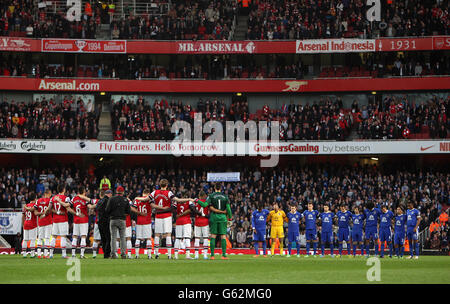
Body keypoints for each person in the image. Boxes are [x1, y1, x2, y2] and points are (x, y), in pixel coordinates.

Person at [136, 179, 190, 259]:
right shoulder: (169, 193)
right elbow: (178, 200)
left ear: (159, 185)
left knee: (157, 235)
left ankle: (157, 254)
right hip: (167, 216)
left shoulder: (155, 192)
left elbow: (145, 199)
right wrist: (189, 199)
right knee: (168, 234)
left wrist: (137, 197)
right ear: (167, 185)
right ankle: (169, 255)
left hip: (158, 216)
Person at [196, 182, 232, 260]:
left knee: (213, 236)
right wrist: (230, 218)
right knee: (223, 236)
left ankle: (212, 255)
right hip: (223, 218)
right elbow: (228, 209)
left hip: (214, 217)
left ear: (214, 188)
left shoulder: (211, 196)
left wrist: (197, 200)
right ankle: (224, 255)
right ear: (221, 188)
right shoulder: (225, 197)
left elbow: (205, 205)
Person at [50, 184, 75, 258]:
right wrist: (75, 213)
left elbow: (49, 209)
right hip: (63, 219)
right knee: (63, 237)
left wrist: (56, 212)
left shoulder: (53, 198)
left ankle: (51, 254)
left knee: (54, 236)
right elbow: (68, 207)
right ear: (64, 190)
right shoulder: (66, 198)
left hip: (55, 220)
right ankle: (63, 254)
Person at [69, 186, 95, 258]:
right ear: (84, 192)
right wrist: (96, 204)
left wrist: (76, 213)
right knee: (83, 236)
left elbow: (68, 207)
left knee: (75, 236)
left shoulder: (74, 198)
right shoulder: (85, 199)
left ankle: (73, 254)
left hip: (76, 220)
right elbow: (90, 207)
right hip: (84, 220)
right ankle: (82, 254)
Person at [105, 186, 131, 259]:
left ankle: (113, 254)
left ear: (116, 191)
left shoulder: (111, 199)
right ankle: (123, 254)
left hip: (113, 219)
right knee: (123, 237)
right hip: (122, 220)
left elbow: (107, 210)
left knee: (113, 237)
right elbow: (128, 212)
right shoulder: (125, 200)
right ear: (123, 192)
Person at [133, 189, 154, 259]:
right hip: (147, 221)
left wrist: (139, 213)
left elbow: (133, 208)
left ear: (143, 193)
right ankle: (149, 255)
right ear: (148, 193)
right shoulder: (149, 199)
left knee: (138, 238)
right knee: (148, 238)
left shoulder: (137, 199)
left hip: (139, 221)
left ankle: (136, 255)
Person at [174, 193, 195, 259]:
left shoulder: (176, 201)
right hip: (186, 221)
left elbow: (173, 209)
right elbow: (192, 209)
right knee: (187, 238)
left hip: (179, 221)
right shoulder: (189, 201)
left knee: (178, 238)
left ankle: (175, 256)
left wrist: (177, 216)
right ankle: (187, 255)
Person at [34, 189, 53, 258]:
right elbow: (49, 211)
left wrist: (41, 214)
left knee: (40, 238)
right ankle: (45, 254)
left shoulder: (38, 201)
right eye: (50, 194)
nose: (51, 195)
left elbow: (35, 213)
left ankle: (39, 254)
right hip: (48, 221)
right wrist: (44, 214)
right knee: (47, 238)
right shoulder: (50, 201)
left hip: (41, 221)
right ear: (47, 193)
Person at [192, 191, 210, 259]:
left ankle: (196, 255)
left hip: (197, 222)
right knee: (205, 238)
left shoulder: (196, 202)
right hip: (205, 221)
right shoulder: (207, 202)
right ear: (204, 195)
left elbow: (193, 210)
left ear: (199, 195)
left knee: (197, 238)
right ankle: (205, 255)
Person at [22, 193, 39, 258]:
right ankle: (32, 254)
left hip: (26, 223)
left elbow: (23, 216)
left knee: (25, 239)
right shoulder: (35, 205)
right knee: (32, 239)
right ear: (35, 198)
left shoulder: (26, 205)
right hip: (32, 224)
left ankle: (24, 254)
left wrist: (23, 224)